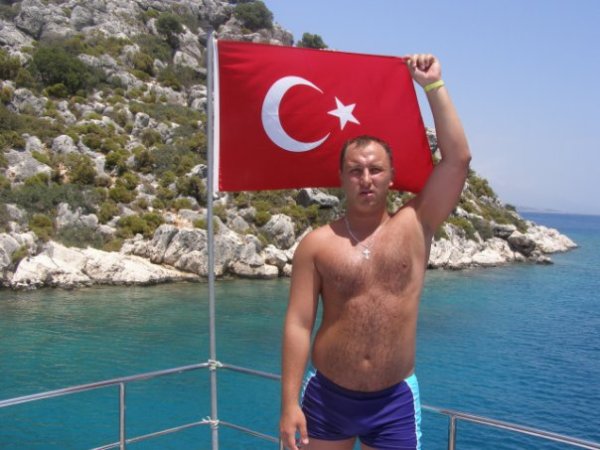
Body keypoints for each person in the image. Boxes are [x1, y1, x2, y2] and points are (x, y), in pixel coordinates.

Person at [279, 54, 471, 450]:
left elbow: (458, 160)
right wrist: (289, 404)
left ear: (391, 177)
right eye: (355, 170)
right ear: (341, 178)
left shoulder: (417, 224)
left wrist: (433, 86)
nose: (366, 179)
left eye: (375, 170)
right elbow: (298, 323)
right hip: (327, 397)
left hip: (393, 400)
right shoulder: (316, 244)